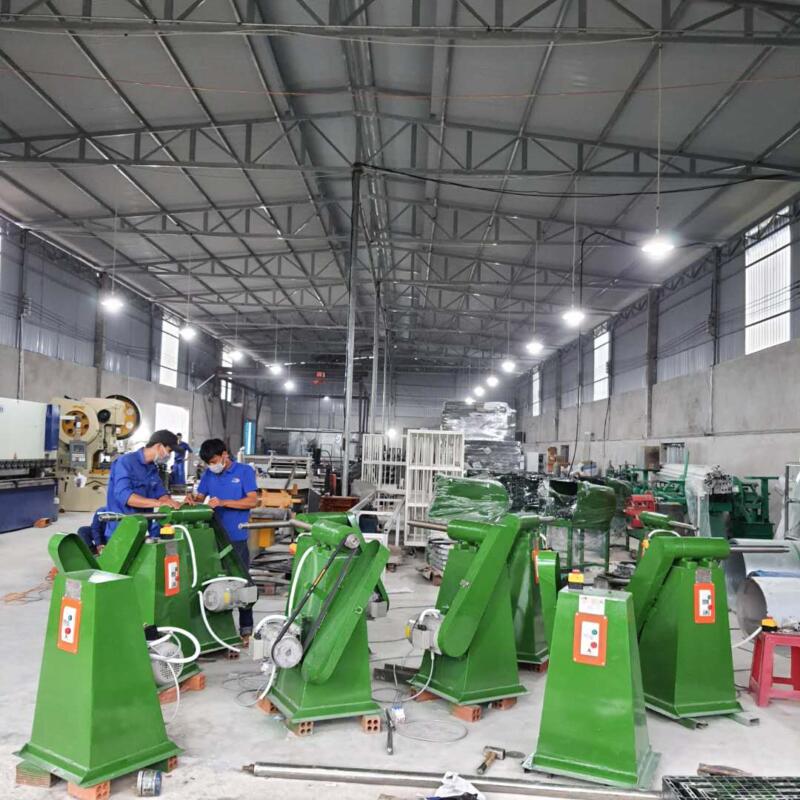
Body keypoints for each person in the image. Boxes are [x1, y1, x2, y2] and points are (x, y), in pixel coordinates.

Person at [192, 438, 258, 640]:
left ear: (224, 455)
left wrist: (224, 502)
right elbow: (199, 498)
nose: (212, 466)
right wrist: (191, 499)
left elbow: (252, 501)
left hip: (236, 537)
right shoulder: (208, 475)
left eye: (214, 461)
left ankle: (246, 629)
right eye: (208, 463)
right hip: (212, 537)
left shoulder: (244, 472)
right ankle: (216, 631)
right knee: (212, 581)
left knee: (241, 581)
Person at [105, 430, 182, 539]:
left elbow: (161, 494)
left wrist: (173, 503)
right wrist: (159, 503)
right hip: (121, 532)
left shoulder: (152, 468)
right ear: (158, 446)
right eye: (169, 451)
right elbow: (126, 497)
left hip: (143, 530)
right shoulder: (125, 462)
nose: (169, 455)